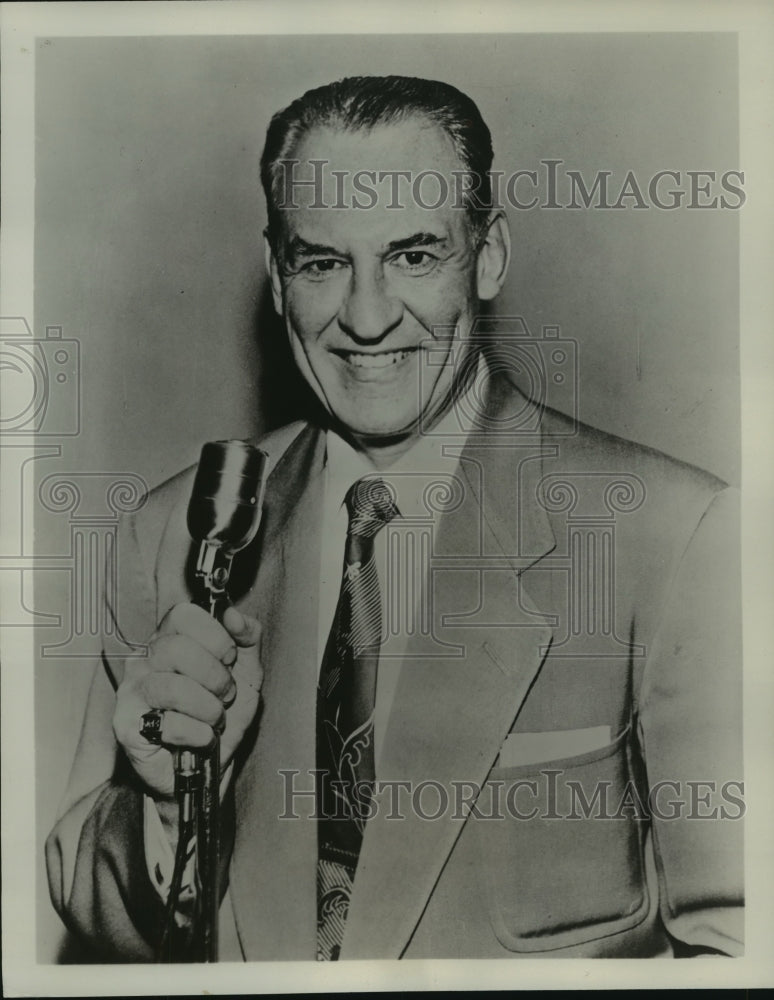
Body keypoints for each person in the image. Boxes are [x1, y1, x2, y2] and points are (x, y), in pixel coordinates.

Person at [46, 75, 743, 962]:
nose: (367, 320)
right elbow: (89, 907)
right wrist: (165, 803)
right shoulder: (174, 535)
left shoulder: (671, 534)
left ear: (487, 256)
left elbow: (741, 952)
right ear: (275, 276)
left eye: (414, 256)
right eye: (323, 263)